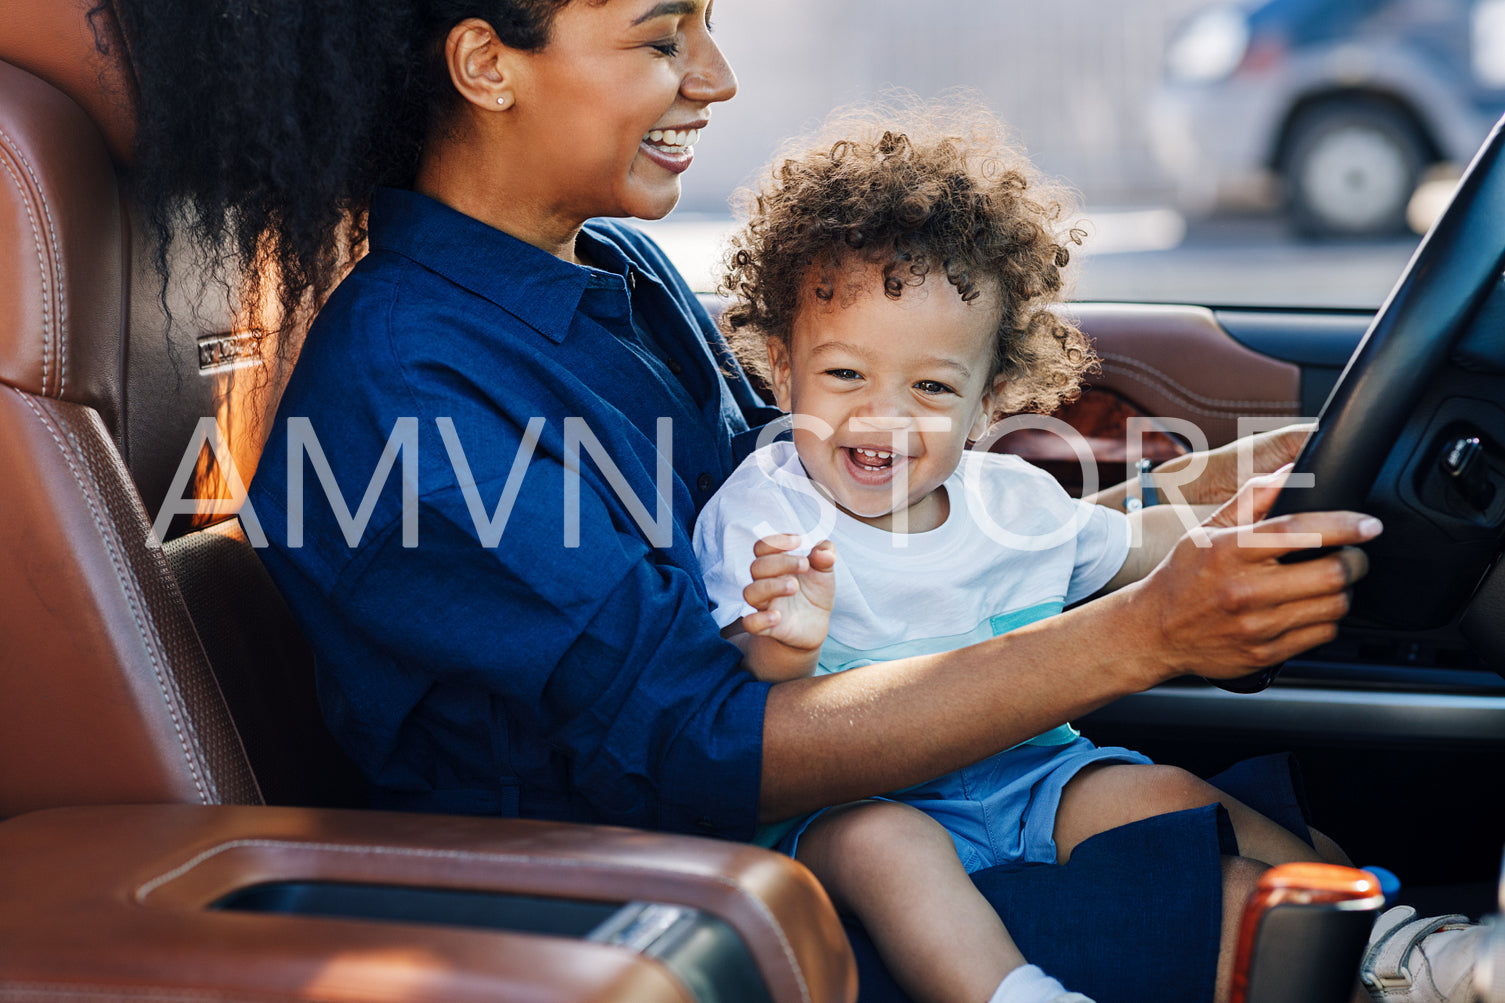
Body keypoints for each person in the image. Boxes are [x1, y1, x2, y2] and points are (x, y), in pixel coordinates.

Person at [99, 1, 1465, 1000]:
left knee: (1254, 818)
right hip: (685, 897)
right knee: (1245, 897)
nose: (716, 74)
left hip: (849, 796)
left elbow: (849, 500)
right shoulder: (412, 377)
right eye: (660, 37)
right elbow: (697, 745)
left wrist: (1193, 488)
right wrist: (1143, 632)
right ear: (483, 64)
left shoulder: (617, 276)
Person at [690, 105, 1359, 1003]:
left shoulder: (1008, 501)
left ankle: (1392, 942)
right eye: (844, 375)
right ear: (781, 368)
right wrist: (785, 644)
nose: (881, 416)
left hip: (1029, 774)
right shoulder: (765, 509)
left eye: (929, 387)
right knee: (888, 849)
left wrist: (1229, 507)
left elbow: (1131, 548)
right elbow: (746, 719)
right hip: (847, 805)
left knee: (1160, 789)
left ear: (990, 402)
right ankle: (1012, 992)